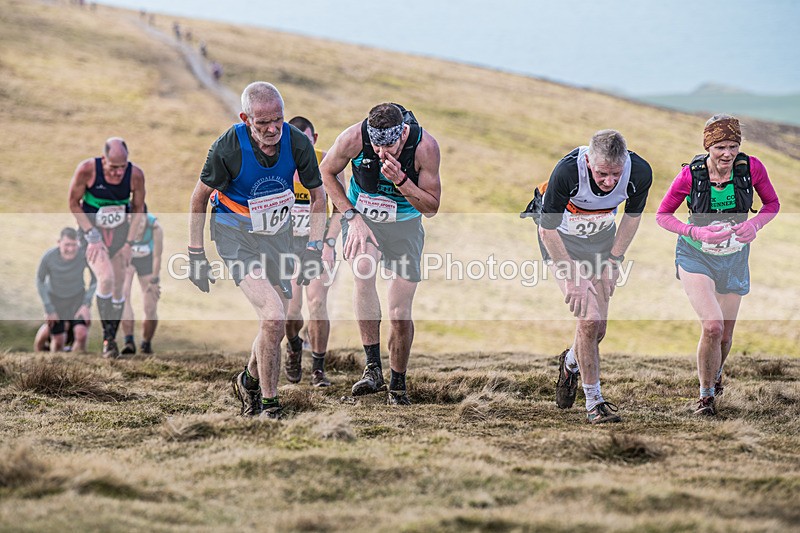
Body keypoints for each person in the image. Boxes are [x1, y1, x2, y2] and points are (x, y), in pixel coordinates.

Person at [188, 81, 327, 419]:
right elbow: (199, 198)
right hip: (235, 235)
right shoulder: (228, 147)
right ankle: (268, 404)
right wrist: (195, 255)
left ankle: (248, 379)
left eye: (277, 119)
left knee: (274, 324)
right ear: (245, 118)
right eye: (262, 122)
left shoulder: (297, 143)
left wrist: (313, 246)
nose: (272, 128)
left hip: (277, 237)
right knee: (274, 315)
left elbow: (319, 197)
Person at [656, 115, 779, 416]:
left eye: (733, 146)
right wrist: (695, 231)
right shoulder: (691, 175)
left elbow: (772, 204)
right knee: (712, 325)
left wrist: (756, 225)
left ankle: (716, 374)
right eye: (720, 147)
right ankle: (706, 398)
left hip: (735, 257)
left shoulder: (751, 169)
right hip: (695, 255)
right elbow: (663, 215)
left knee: (725, 335)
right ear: (708, 146)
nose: (727, 154)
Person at [320, 103, 442, 405]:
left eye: (388, 145)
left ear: (402, 134)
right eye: (376, 144)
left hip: (405, 225)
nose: (381, 152)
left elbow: (432, 208)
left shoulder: (425, 147)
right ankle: (373, 368)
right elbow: (326, 172)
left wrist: (402, 180)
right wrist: (352, 217)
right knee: (363, 270)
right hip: (364, 219)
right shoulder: (353, 138)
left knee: (399, 312)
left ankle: (397, 385)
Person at [535, 130, 652, 424]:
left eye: (616, 173)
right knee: (587, 320)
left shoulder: (639, 171)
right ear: (589, 161)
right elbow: (546, 230)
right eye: (602, 173)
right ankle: (594, 402)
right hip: (561, 241)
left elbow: (632, 217)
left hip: (601, 242)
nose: (610, 181)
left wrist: (614, 260)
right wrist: (573, 277)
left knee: (597, 330)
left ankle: (570, 363)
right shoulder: (567, 171)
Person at [68, 137, 146, 358]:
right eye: (113, 167)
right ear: (104, 160)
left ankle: (111, 338)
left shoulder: (135, 175)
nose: (118, 173)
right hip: (92, 235)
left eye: (122, 168)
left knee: (119, 286)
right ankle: (107, 338)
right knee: (106, 279)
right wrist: (91, 234)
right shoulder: (87, 170)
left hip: (120, 237)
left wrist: (130, 242)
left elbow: (139, 209)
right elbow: (73, 203)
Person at [284, 116, 343, 388]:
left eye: (305, 141)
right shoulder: (278, 163)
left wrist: (329, 244)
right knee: (290, 312)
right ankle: (295, 346)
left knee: (317, 302)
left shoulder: (328, 162)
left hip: (317, 243)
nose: (300, 148)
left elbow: (340, 208)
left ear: (314, 139)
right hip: (287, 246)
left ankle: (318, 369)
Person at [35, 227, 97, 353]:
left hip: (77, 298)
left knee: (81, 334)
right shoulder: (49, 257)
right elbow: (40, 280)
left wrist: (86, 304)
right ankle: (44, 355)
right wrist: (49, 308)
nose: (71, 249)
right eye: (67, 245)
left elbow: (95, 279)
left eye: (74, 245)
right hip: (55, 300)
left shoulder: (83, 255)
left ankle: (80, 364)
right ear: (59, 243)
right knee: (58, 341)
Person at [120, 208, 163, 355]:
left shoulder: (155, 227)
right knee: (123, 295)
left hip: (148, 261)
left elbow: (157, 256)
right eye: (133, 223)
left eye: (140, 223)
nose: (137, 228)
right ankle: (128, 341)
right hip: (128, 260)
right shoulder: (122, 224)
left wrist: (155, 280)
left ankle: (146, 343)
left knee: (150, 305)